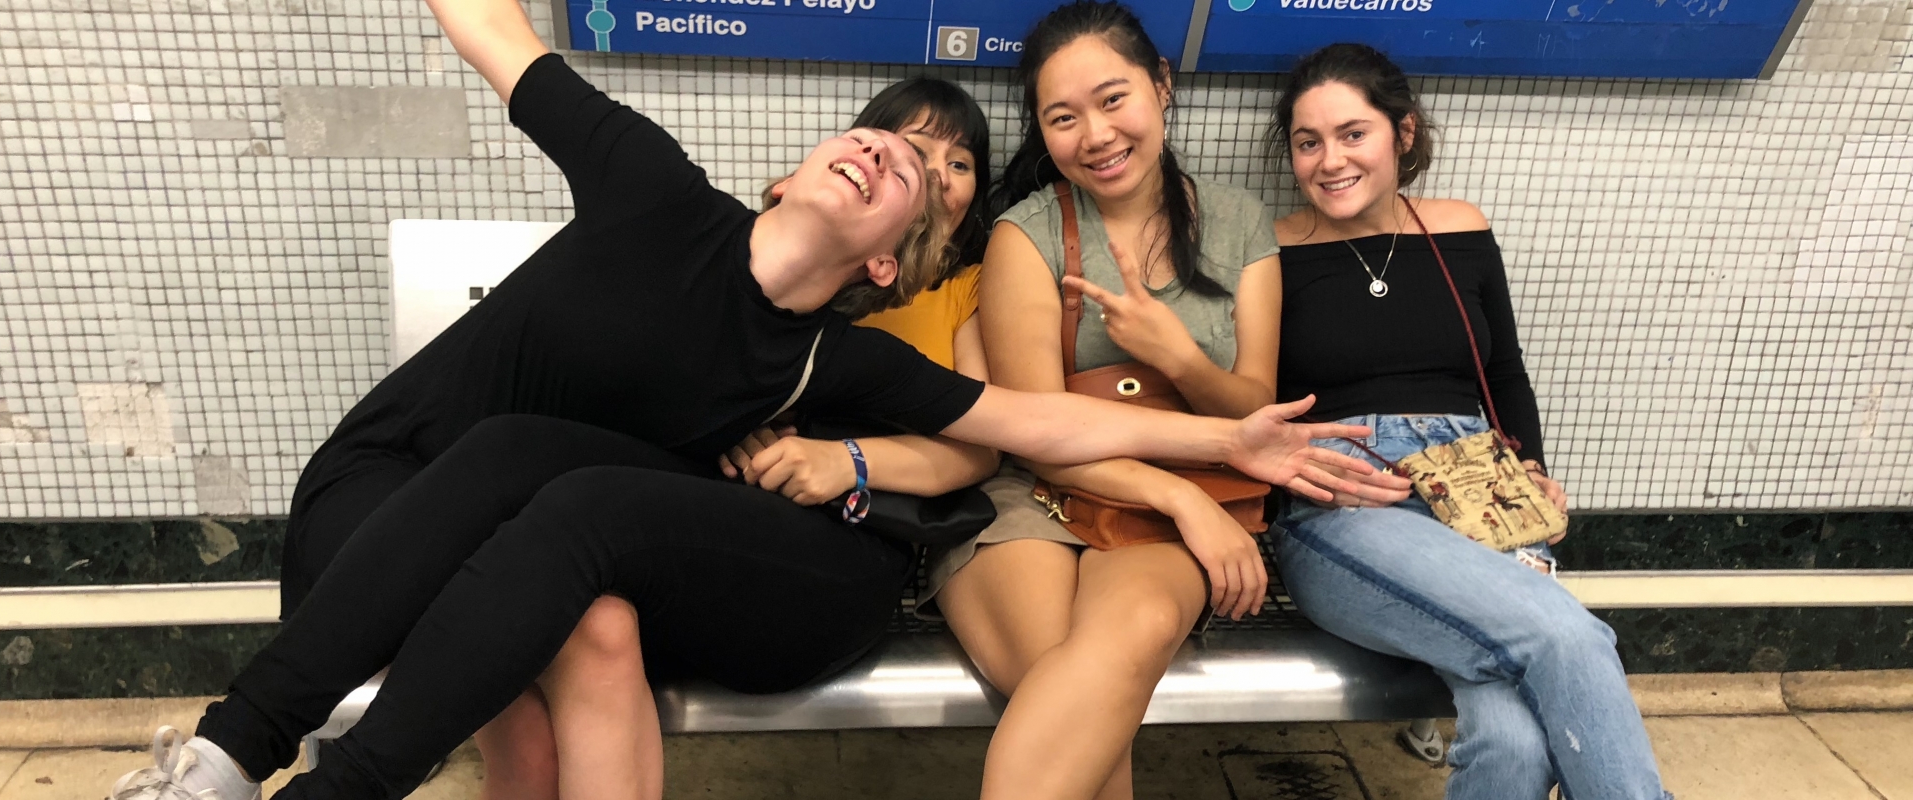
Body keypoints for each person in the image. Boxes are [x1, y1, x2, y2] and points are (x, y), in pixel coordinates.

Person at [107, 0, 1403, 796]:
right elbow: (496, 34)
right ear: (787, 173)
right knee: (550, 519)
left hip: (790, 568)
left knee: (566, 525)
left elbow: (1023, 425)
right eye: (888, 141)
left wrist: (1221, 436)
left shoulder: (848, 355)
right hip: (485, 505)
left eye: (940, 170)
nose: (906, 164)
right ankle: (229, 764)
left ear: (897, 248)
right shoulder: (670, 202)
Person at [472, 75, 1003, 800]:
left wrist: (845, 461)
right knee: (581, 619)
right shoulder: (794, 256)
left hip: (832, 549)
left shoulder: (964, 288)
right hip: (707, 522)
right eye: (914, 148)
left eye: (961, 162)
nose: (938, 172)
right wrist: (735, 429)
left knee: (551, 582)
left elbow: (980, 449)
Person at [928, 4, 1408, 799]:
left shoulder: (1238, 222)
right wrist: (1184, 497)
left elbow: (1251, 401)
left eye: (1114, 99)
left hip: (1173, 502)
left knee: (1122, 649)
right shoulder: (1026, 234)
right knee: (1076, 688)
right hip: (1033, 491)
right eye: (1063, 117)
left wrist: (1176, 355)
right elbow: (1037, 433)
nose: (1096, 134)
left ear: (1161, 88)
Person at [1267, 42, 1672, 800]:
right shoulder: (1272, 252)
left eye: (1354, 133)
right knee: (1565, 635)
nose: (1329, 160)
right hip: (1352, 498)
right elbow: (1248, 398)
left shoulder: (1458, 228)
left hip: (1480, 490)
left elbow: (1506, 368)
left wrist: (1536, 471)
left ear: (1404, 133)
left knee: (1516, 741)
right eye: (1307, 140)